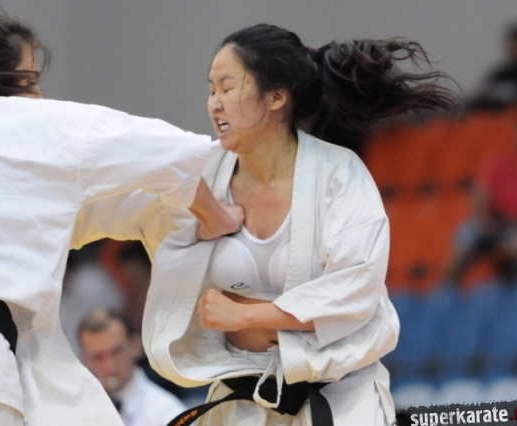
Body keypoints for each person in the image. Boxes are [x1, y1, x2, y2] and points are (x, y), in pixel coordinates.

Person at [0, 14, 242, 426]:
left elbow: (56, 219)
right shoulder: (17, 118)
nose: (39, 95)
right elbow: (173, 153)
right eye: (32, 79)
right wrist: (217, 216)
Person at [138, 24, 459, 426]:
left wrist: (246, 316)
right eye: (211, 90)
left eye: (227, 87)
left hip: (340, 400)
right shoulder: (199, 176)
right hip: (240, 400)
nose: (214, 103)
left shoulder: (339, 174)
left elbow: (354, 289)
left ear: (276, 97)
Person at [445, 116, 517, 285]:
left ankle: (514, 289)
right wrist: (487, 223)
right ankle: (445, 292)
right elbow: (479, 196)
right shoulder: (499, 164)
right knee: (464, 239)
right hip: (488, 221)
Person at [78, 308, 187, 426]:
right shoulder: (76, 411)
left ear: (135, 346)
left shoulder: (167, 413)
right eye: (98, 357)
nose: (110, 366)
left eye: (117, 352)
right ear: (86, 359)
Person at [470, 22, 517, 111]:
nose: (514, 47)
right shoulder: (499, 73)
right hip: (498, 116)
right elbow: (484, 92)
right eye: (512, 43)